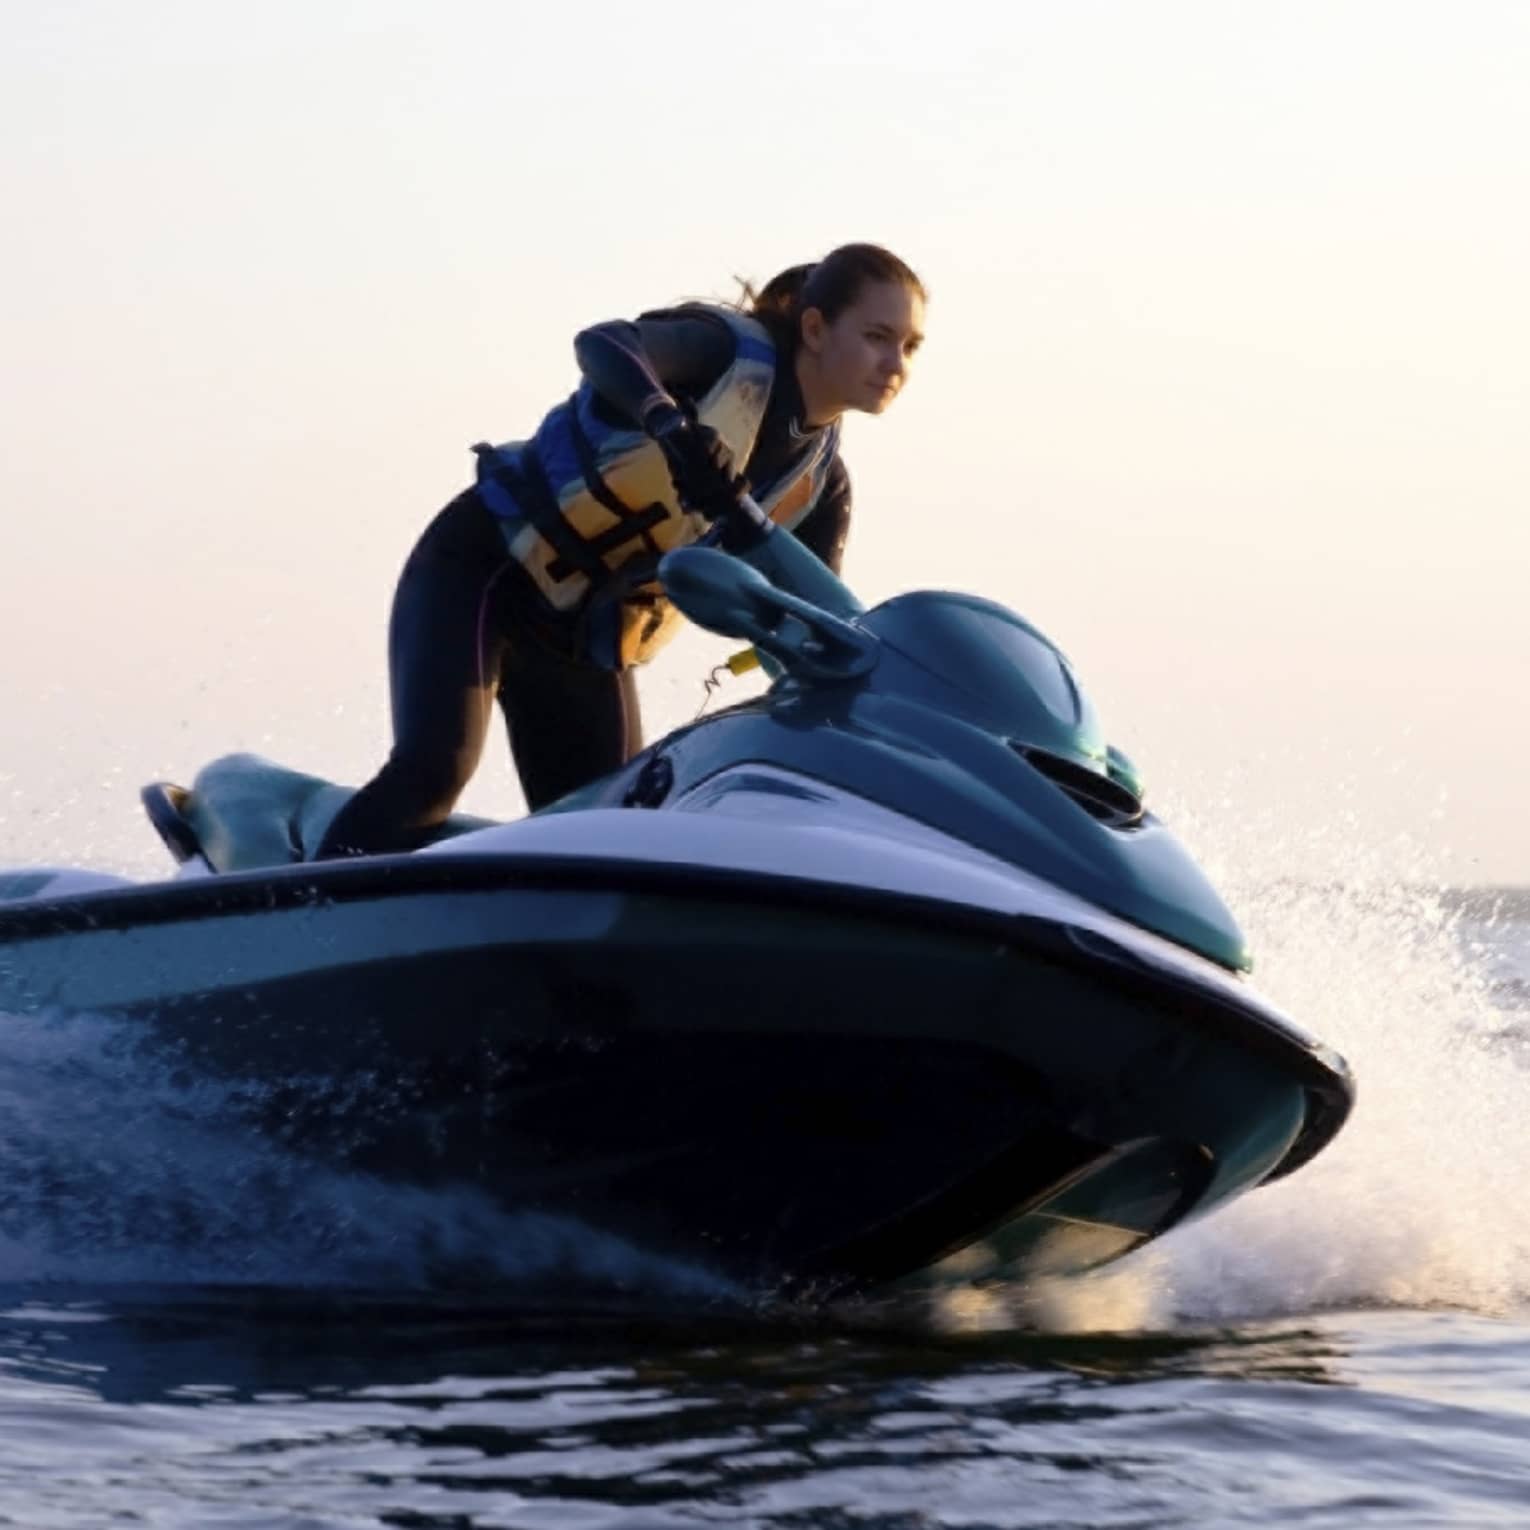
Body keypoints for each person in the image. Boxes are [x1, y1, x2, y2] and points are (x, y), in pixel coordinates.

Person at [316, 241, 927, 858]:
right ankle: (290, 918)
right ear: (816, 329)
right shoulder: (725, 353)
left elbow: (813, 630)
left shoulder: (819, 486)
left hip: (583, 641)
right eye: (878, 336)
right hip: (487, 568)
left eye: (909, 346)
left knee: (611, 840)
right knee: (432, 773)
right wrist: (669, 426)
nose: (895, 362)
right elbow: (602, 343)